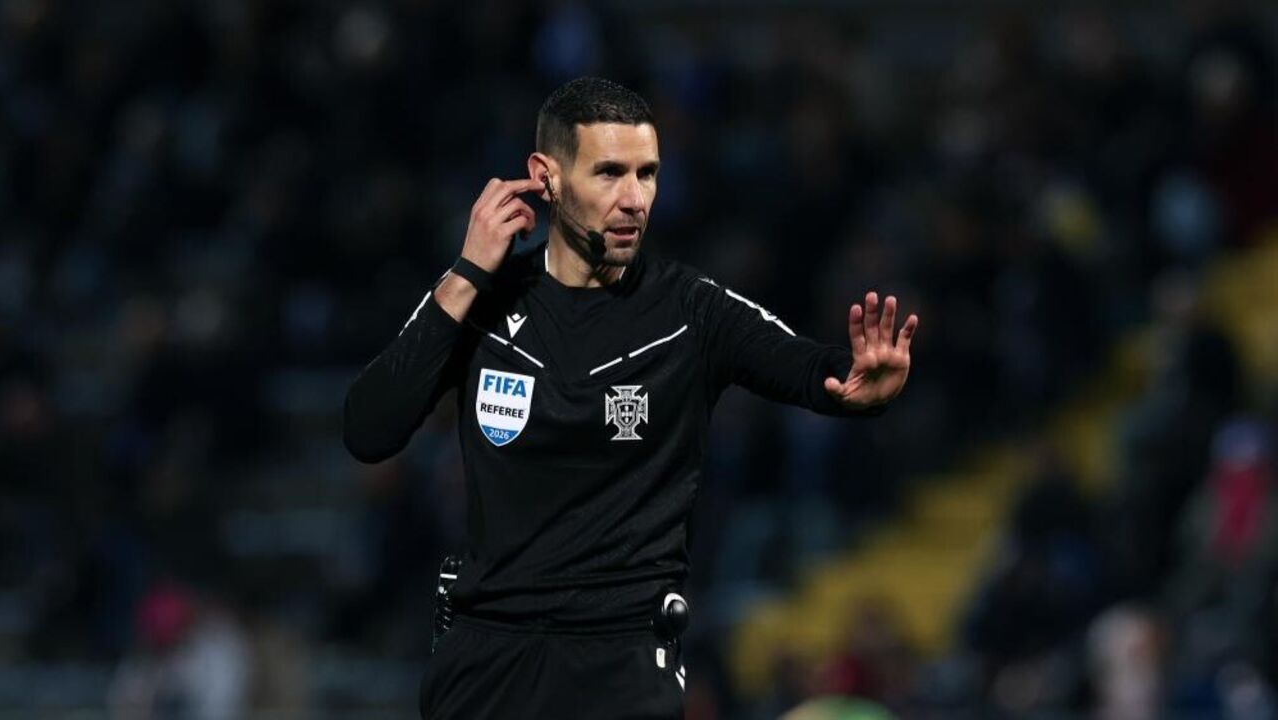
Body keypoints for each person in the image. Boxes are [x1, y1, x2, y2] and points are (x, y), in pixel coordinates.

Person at [343, 77, 919, 720]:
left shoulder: (691, 312)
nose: (633, 199)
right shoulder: (480, 301)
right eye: (610, 172)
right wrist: (469, 272)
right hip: (486, 659)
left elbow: (812, 369)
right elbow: (369, 430)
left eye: (647, 174)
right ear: (546, 176)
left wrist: (863, 388)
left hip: (621, 663)